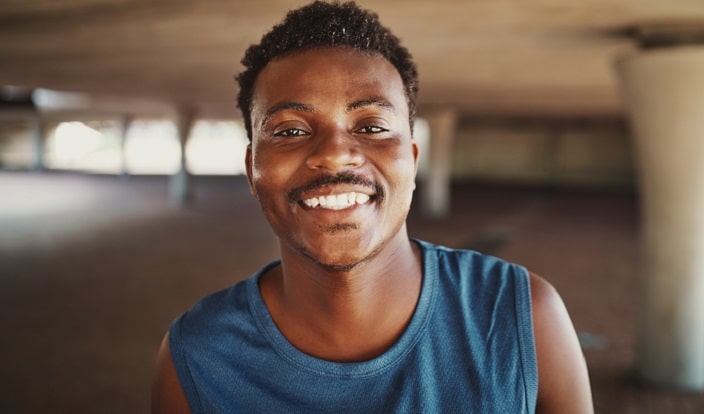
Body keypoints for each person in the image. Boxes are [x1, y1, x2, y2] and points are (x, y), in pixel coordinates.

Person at [151, 1, 593, 413]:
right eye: (289, 131)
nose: (337, 153)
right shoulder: (195, 356)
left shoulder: (524, 317)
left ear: (413, 162)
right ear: (252, 170)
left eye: (373, 126)